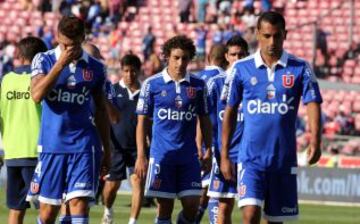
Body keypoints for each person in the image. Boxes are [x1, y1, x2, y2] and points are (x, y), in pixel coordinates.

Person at [221, 11, 322, 224]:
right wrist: (224, 155)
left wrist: (316, 140)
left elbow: (312, 102)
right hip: (250, 159)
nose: (272, 41)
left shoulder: (300, 68)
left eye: (277, 35)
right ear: (258, 34)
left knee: (275, 221)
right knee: (249, 215)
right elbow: (229, 111)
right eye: (267, 36)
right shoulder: (241, 68)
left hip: (283, 160)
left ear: (285, 34)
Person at [26, 16, 111, 224]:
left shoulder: (96, 68)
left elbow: (101, 110)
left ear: (83, 38)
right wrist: (60, 65)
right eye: (63, 44)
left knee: (79, 205)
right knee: (47, 213)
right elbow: (36, 95)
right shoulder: (43, 59)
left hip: (84, 145)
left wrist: (107, 150)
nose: (67, 49)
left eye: (72, 45)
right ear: (57, 36)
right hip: (52, 146)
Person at [135, 35, 213, 224]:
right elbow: (142, 122)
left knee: (193, 205)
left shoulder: (198, 85)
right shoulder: (151, 84)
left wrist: (209, 149)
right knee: (165, 207)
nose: (180, 62)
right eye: (176, 57)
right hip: (162, 155)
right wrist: (141, 155)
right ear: (167, 57)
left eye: (185, 58)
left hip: (189, 156)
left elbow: (204, 120)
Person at [0, 37, 47, 224]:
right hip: (38, 153)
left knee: (16, 209)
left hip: (12, 154)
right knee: (47, 207)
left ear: (19, 55)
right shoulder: (42, 79)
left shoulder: (6, 80)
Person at [206, 36, 249, 224]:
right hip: (225, 155)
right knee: (223, 206)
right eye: (233, 54)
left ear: (247, 55)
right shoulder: (216, 83)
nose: (237, 58)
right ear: (226, 56)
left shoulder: (254, 82)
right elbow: (205, 120)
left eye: (241, 54)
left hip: (249, 155)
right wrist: (208, 149)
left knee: (251, 209)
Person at [101, 54, 147, 224]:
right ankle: (107, 210)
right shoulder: (112, 91)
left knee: (137, 182)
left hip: (138, 148)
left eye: (133, 71)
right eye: (126, 71)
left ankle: (132, 221)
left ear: (139, 71)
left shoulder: (145, 93)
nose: (129, 75)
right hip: (116, 147)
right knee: (112, 185)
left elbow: (149, 121)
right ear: (121, 71)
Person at [194, 43, 228, 224]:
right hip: (214, 143)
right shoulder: (224, 80)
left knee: (202, 192)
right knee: (216, 192)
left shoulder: (195, 80)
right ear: (226, 59)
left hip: (192, 143)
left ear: (208, 57)